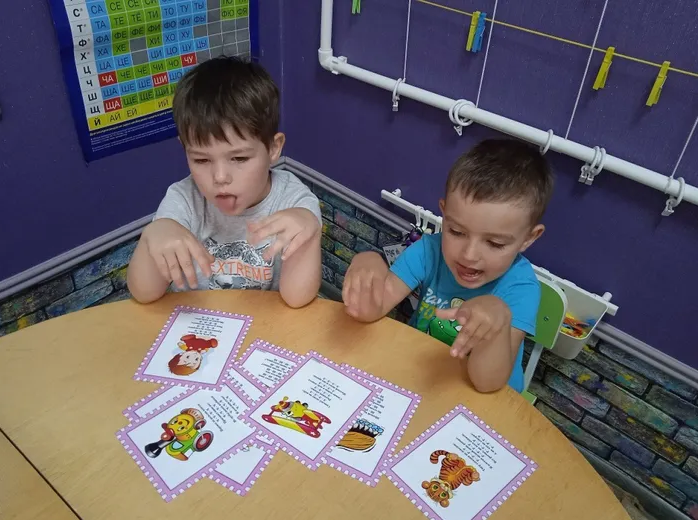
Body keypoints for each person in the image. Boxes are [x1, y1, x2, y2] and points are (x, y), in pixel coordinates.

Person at [342, 139, 554, 393]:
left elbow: (487, 384)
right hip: (420, 377)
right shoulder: (429, 250)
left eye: (494, 243)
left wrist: (498, 324)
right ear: (444, 213)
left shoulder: (521, 288)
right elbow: (370, 310)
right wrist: (369, 261)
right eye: (456, 231)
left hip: (480, 398)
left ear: (529, 238)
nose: (469, 255)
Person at [127, 57, 322, 307]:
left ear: (274, 148)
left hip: (265, 324)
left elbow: (297, 299)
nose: (220, 177)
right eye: (201, 160)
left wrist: (310, 232)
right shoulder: (184, 200)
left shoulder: (294, 202)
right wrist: (152, 235)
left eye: (239, 158)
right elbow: (144, 293)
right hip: (195, 322)